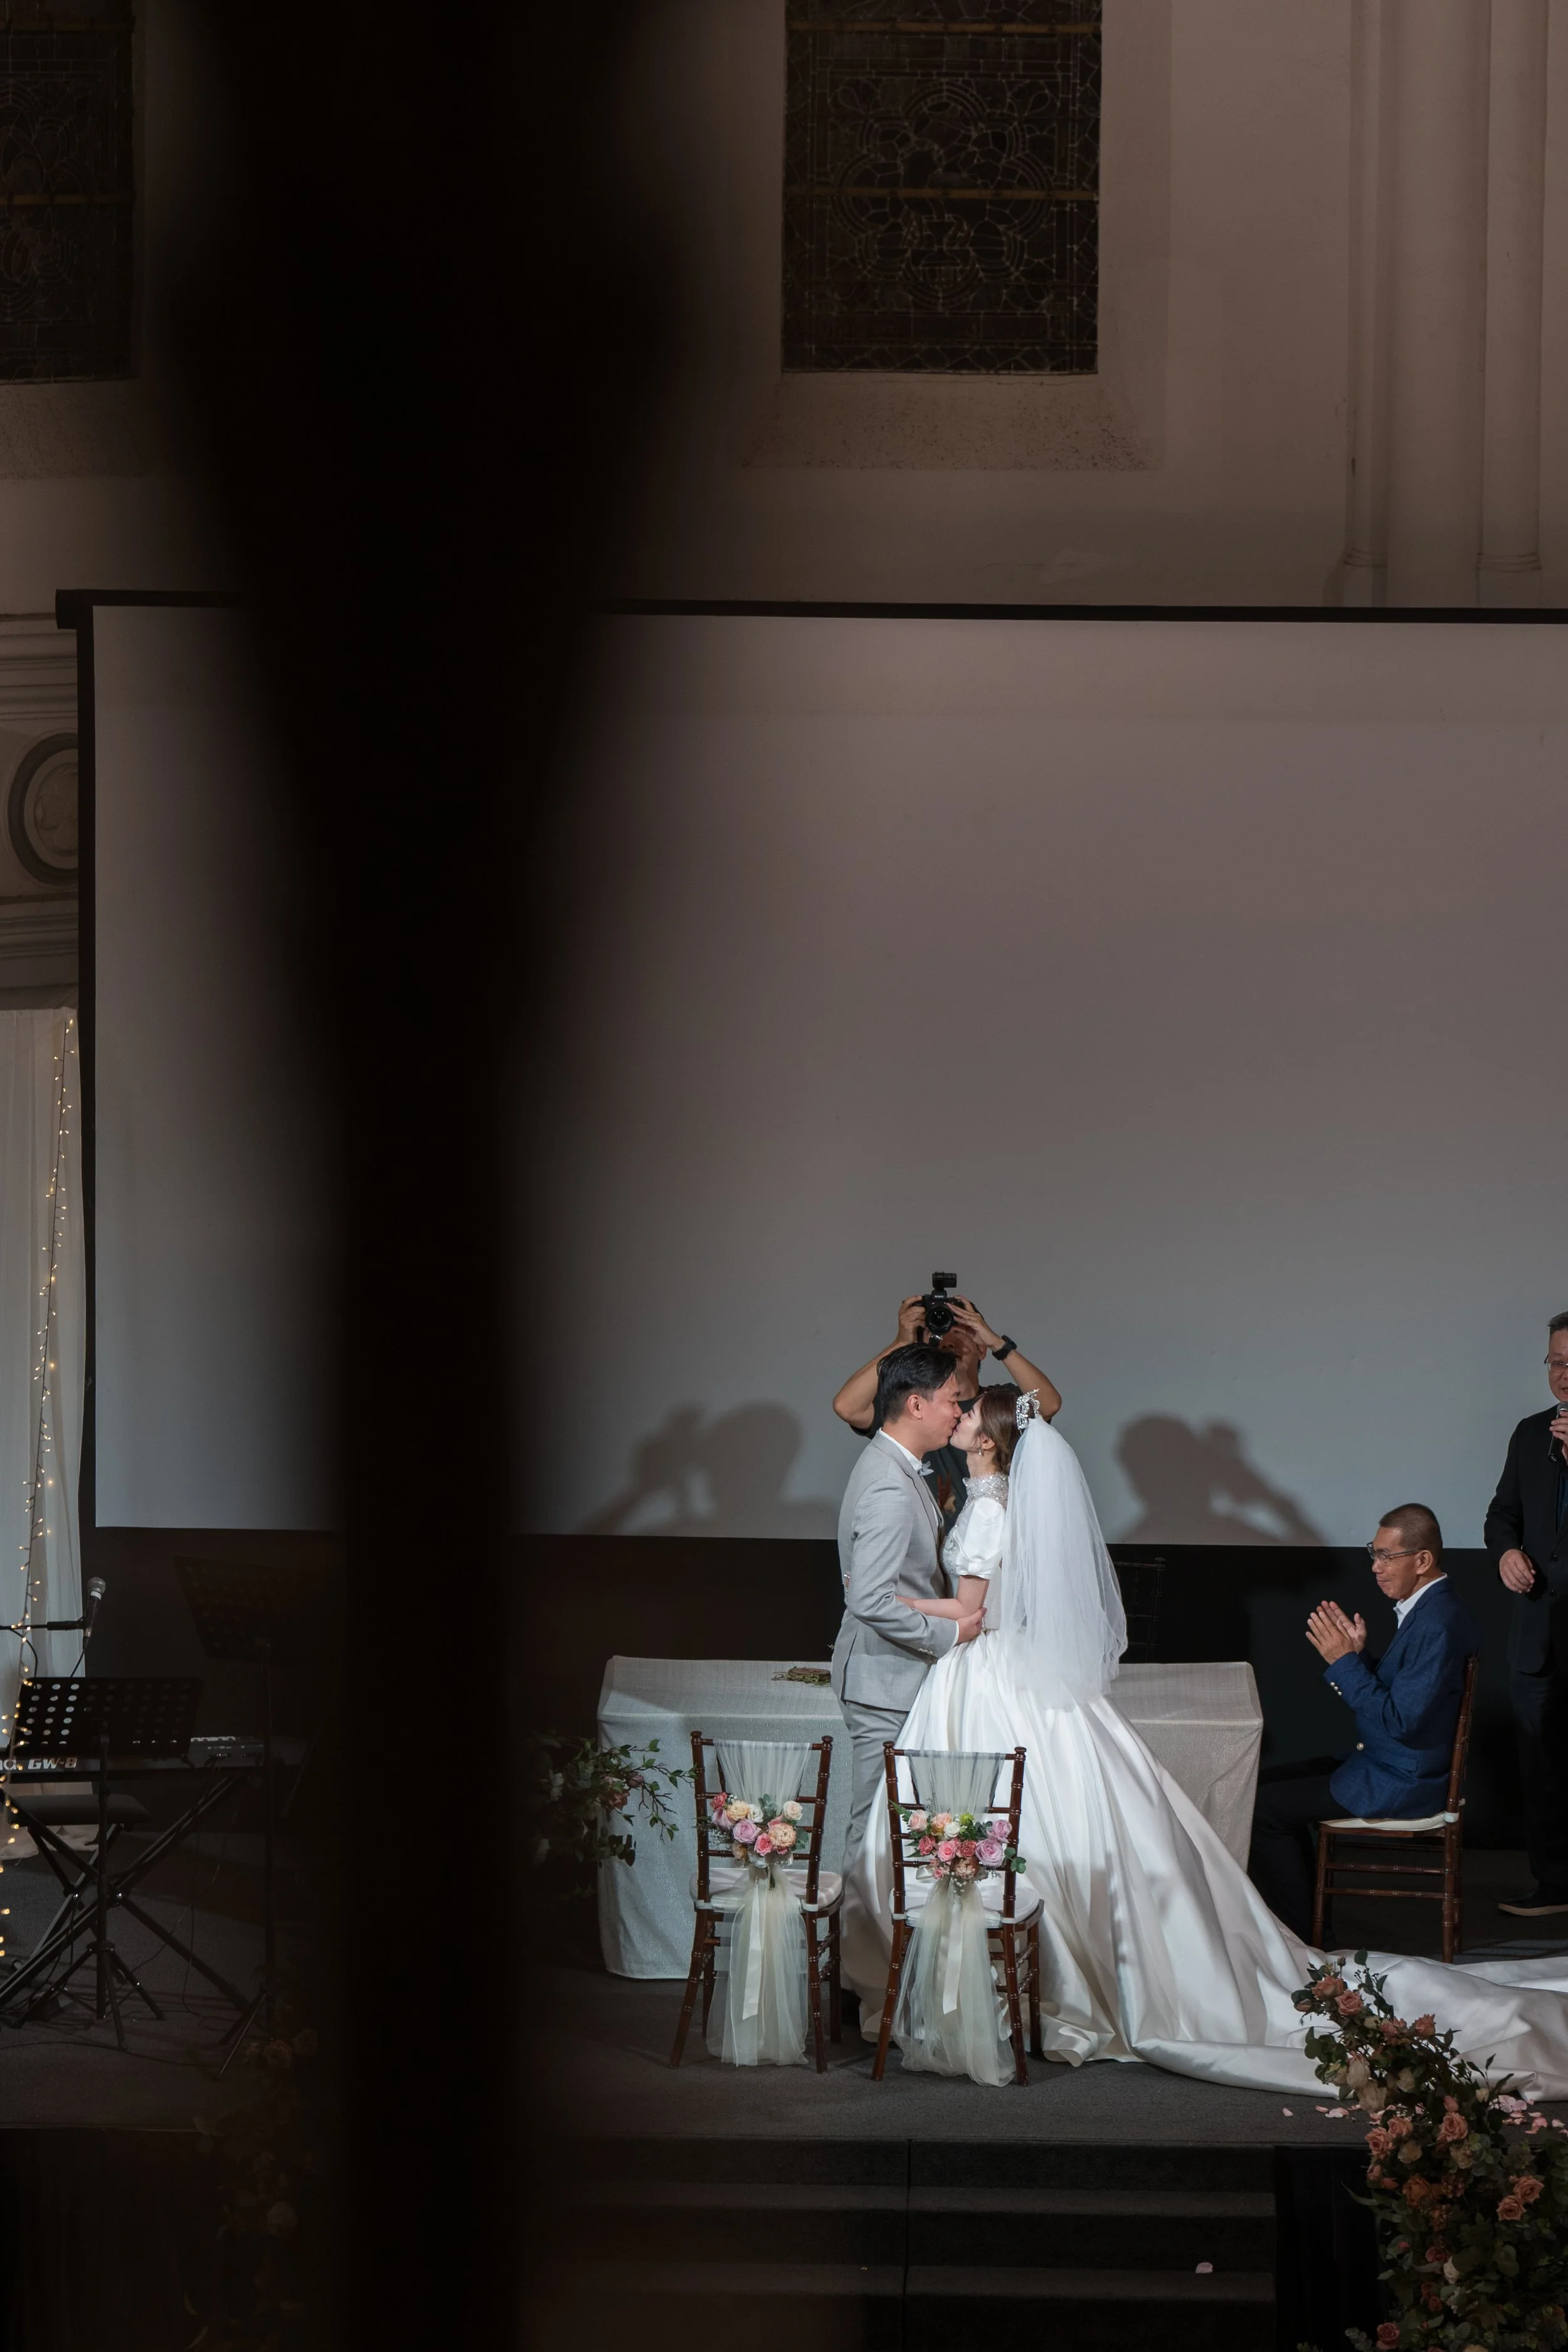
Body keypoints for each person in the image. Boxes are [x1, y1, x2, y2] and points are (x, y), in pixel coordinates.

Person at [840, 1398, 1568, 2095]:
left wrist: (885, 1604)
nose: (958, 1416)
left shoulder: (991, 1510)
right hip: (998, 1676)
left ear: (991, 1441)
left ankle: (1029, 1982)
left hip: (983, 1674)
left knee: (1017, 1820)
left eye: (969, 1413)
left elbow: (971, 1613)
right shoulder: (996, 1504)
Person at [1246, 1505, 1480, 1938]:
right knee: (1256, 1786)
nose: (1375, 1567)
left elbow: (1401, 1722)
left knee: (1263, 1810)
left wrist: (1344, 1663)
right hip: (1384, 1761)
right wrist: (1357, 1660)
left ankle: (1305, 1937)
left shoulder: (1438, 1624)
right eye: (1373, 1554)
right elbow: (1408, 1699)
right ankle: (1300, 1921)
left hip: (1403, 1777)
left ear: (1423, 1560)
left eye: (1386, 1557)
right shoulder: (1430, 1609)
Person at [830, 1345, 984, 1864]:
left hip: (893, 1673)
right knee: (875, 1825)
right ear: (916, 1405)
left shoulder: (893, 1463)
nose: (959, 1412)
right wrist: (951, 1633)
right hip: (883, 1678)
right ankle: (860, 1942)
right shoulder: (890, 1485)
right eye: (951, 1400)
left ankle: (884, 1937)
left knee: (895, 1824)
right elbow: (870, 1598)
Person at [832, 1295, 1060, 1531]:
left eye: (959, 1333)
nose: (948, 1342)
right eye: (939, 1336)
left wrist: (997, 1344)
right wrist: (901, 1344)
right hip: (929, 1552)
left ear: (980, 1349)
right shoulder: (915, 1407)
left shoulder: (997, 1403)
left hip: (991, 1544)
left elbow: (1049, 1405)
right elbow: (847, 1407)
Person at [1486, 1311, 1568, 1918]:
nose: (1563, 1376)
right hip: (1536, 1635)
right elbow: (1501, 1514)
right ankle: (1554, 1885)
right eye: (1555, 1362)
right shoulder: (1528, 1432)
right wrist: (1507, 1551)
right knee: (1540, 1768)